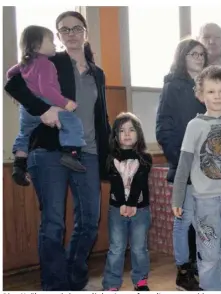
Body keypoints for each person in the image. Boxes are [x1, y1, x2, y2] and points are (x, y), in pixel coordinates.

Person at [4, 11, 110, 291]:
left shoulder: (98, 73)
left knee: (89, 222)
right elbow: (12, 83)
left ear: (86, 32)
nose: (72, 34)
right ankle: (54, 285)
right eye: (65, 30)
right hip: (49, 151)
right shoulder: (49, 61)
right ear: (59, 36)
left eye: (77, 28)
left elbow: (102, 118)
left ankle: (73, 280)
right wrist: (44, 110)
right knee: (53, 224)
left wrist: (109, 154)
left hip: (87, 152)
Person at [171, 65, 221, 291]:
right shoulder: (194, 126)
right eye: (211, 91)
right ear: (200, 95)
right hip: (205, 201)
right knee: (209, 256)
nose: (217, 96)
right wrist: (177, 198)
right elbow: (184, 165)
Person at [156, 38, 207, 291]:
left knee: (203, 219)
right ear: (182, 56)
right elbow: (163, 128)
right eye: (193, 53)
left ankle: (200, 265)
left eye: (201, 54)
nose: (198, 58)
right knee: (184, 219)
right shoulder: (173, 86)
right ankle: (183, 270)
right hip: (185, 165)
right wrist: (182, 160)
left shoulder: (211, 86)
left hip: (209, 168)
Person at [8, 25, 87, 187]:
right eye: (50, 41)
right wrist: (65, 103)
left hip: (27, 110)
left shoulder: (25, 62)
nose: (54, 44)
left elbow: (10, 74)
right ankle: (70, 152)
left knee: (24, 133)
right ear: (38, 46)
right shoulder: (46, 64)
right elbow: (47, 90)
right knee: (72, 122)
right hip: (45, 103)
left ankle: (19, 162)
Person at [102, 112, 153, 291]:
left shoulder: (145, 158)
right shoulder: (110, 158)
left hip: (140, 210)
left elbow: (139, 181)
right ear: (115, 135)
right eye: (122, 130)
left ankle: (140, 281)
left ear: (138, 133)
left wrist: (131, 204)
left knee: (139, 248)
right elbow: (115, 182)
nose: (127, 134)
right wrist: (123, 204)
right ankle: (111, 284)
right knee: (116, 248)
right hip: (117, 210)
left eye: (131, 130)